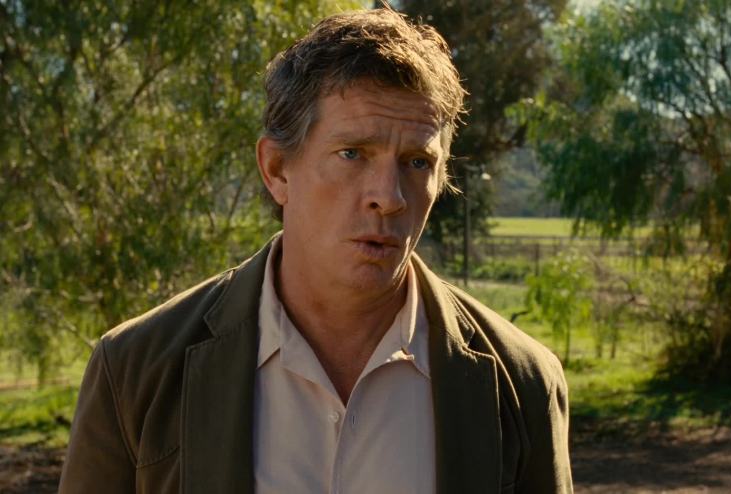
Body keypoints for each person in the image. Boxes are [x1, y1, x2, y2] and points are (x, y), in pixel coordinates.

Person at [58, 7, 572, 494]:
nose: (389, 197)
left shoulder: (521, 382)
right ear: (277, 170)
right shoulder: (136, 370)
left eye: (417, 162)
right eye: (352, 153)